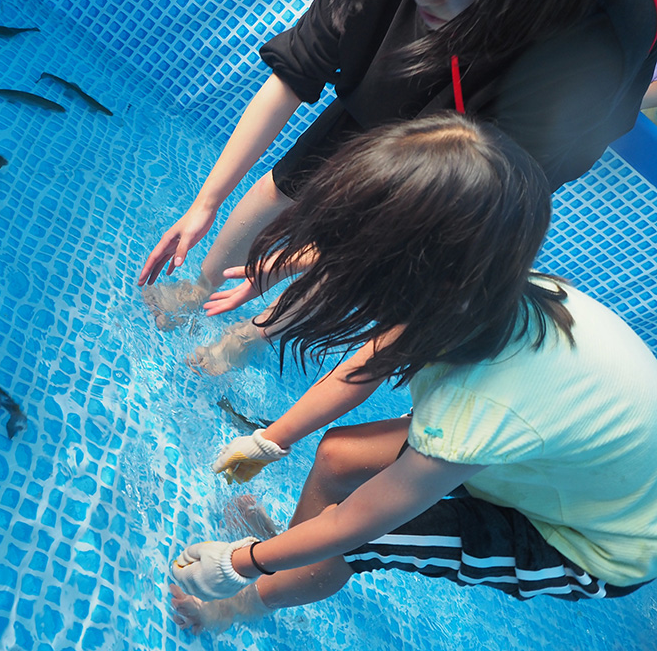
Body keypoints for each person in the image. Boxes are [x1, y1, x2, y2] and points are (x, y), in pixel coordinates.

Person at [166, 113, 657, 635]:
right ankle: (295, 549)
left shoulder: (479, 405)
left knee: (356, 540)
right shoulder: (479, 284)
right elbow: (367, 364)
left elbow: (355, 523)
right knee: (337, 454)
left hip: (585, 538)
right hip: (565, 460)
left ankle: (239, 608)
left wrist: (238, 566)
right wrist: (271, 439)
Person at [138, 0, 657, 372]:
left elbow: (404, 232)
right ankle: (198, 289)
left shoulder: (568, 59)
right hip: (482, 2)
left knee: (372, 250)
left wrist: (288, 265)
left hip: (509, 110)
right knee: (298, 175)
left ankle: (245, 341)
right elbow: (299, 69)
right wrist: (205, 203)